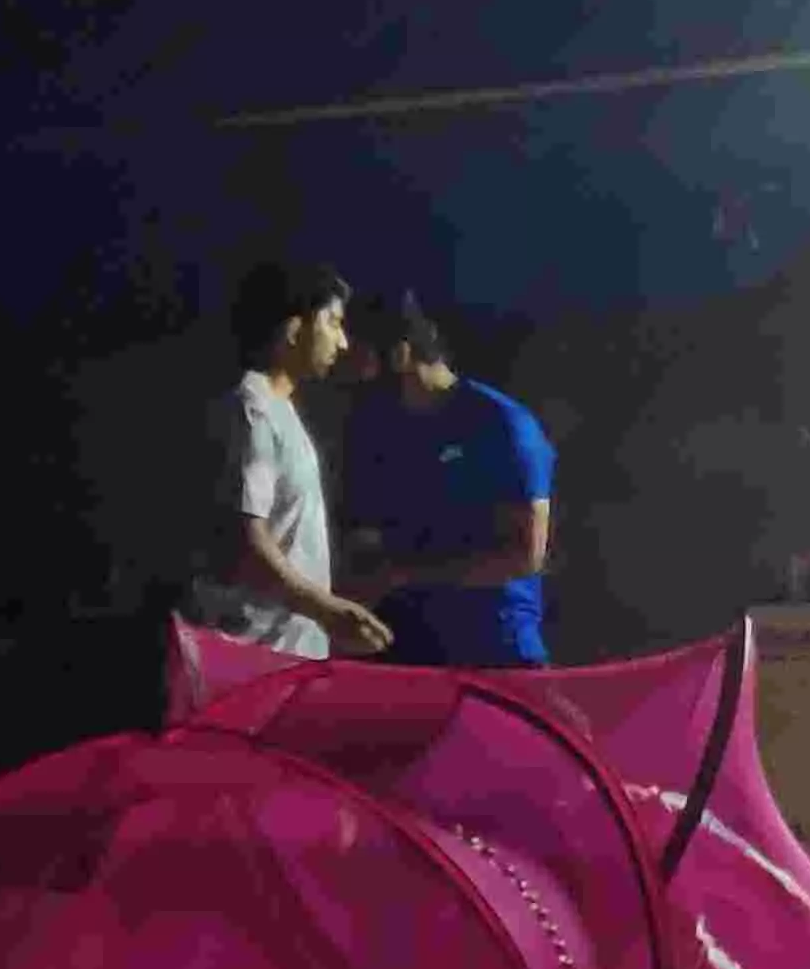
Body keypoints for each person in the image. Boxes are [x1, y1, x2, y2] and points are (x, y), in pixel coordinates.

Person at [341, 291, 558, 669]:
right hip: (407, 652)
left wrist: (402, 575)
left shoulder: (501, 425)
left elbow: (526, 555)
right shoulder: (381, 429)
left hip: (495, 654)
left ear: (400, 354)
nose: (351, 375)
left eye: (360, 360)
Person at [186, 263, 389, 662]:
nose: (343, 342)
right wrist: (325, 608)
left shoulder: (280, 410)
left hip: (290, 654)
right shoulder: (253, 410)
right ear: (294, 329)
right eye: (333, 322)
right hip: (253, 658)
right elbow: (246, 540)